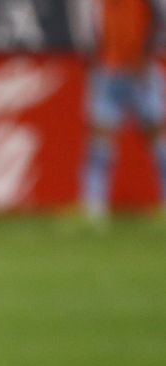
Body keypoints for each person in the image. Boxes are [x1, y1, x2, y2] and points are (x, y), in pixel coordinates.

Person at [79, 0, 166, 220]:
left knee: (157, 139)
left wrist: (145, 57)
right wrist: (96, 58)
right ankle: (93, 209)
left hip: (141, 73)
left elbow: (159, 19)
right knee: (99, 141)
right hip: (108, 72)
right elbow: (91, 26)